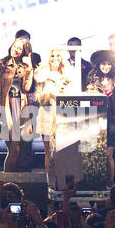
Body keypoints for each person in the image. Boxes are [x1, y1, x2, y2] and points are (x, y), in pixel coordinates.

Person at [86, 49, 115, 187]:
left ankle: (110, 184)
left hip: (113, 121)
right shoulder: (92, 79)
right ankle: (97, 181)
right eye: (103, 64)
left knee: (109, 153)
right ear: (98, 64)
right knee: (96, 153)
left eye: (109, 64)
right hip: (95, 119)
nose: (106, 67)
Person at [0, 36, 36, 173]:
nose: (16, 50)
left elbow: (27, 88)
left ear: (24, 51)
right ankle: (7, 181)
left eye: (20, 48)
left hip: (21, 107)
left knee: (19, 149)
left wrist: (29, 69)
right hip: (7, 107)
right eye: (15, 46)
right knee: (14, 148)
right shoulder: (2, 63)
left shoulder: (25, 66)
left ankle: (15, 183)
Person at [37, 48, 78, 182]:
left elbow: (73, 94)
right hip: (47, 112)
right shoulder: (41, 74)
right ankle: (49, 181)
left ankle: (63, 181)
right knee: (48, 150)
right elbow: (38, 98)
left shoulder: (68, 73)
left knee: (64, 150)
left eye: (58, 56)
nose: (55, 58)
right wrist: (50, 92)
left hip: (64, 114)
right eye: (52, 56)